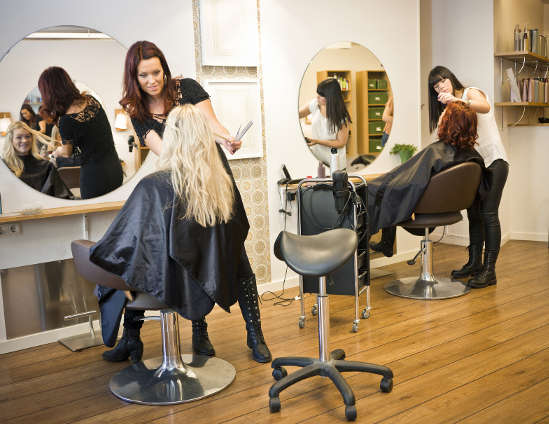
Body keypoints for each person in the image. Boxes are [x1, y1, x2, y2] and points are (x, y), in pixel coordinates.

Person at [99, 40, 270, 364]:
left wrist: (225, 139)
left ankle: (255, 334)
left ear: (164, 68)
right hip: (178, 184)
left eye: (157, 72)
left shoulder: (186, 88)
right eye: (144, 75)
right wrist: (194, 147)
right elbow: (166, 151)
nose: (152, 80)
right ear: (133, 77)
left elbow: (212, 125)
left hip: (213, 183)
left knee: (235, 255)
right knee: (181, 255)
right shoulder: (135, 110)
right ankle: (186, 333)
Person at [369, 102, 486, 258]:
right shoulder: (473, 157)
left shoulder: (436, 151)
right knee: (388, 189)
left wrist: (379, 185)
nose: (440, 117)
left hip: (425, 209)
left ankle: (367, 249)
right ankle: (386, 242)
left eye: (443, 114)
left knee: (373, 190)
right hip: (448, 208)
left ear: (448, 122)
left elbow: (413, 182)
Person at [428, 66, 509, 288]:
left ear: (450, 78)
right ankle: (475, 263)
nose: (441, 86)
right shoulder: (450, 107)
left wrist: (455, 100)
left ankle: (489, 271)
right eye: (436, 86)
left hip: (495, 162)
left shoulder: (469, 93)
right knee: (474, 214)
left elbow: (485, 107)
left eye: (442, 81)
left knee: (489, 214)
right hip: (474, 167)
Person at [38, 66, 123, 199]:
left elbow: (67, 152)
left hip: (94, 177)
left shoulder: (65, 120)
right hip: (115, 168)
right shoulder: (92, 101)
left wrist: (56, 152)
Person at [2, 121, 73, 199]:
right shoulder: (4, 167)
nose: (24, 140)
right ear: (11, 140)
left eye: (27, 136)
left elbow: (62, 195)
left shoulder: (46, 166)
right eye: (19, 137)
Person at [298, 78, 351, 170]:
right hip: (317, 160)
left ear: (331, 97)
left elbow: (341, 143)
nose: (317, 97)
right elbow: (297, 114)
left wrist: (317, 141)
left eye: (322, 95)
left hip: (335, 163)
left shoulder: (341, 117)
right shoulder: (315, 104)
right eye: (318, 93)